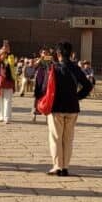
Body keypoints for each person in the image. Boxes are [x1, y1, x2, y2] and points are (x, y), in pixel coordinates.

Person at [34, 41, 92, 176]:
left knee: (56, 138)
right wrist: (77, 96)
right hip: (72, 107)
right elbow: (88, 86)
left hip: (56, 108)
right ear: (71, 54)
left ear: (58, 54)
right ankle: (65, 166)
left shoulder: (53, 69)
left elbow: (43, 88)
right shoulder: (76, 68)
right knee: (68, 138)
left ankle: (57, 166)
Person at [0, 41, 18, 123]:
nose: (4, 54)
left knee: (8, 100)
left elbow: (12, 62)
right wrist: (0, 54)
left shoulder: (10, 57)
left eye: (5, 52)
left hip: (8, 82)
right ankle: (1, 116)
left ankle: (7, 117)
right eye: (2, 51)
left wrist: (8, 53)